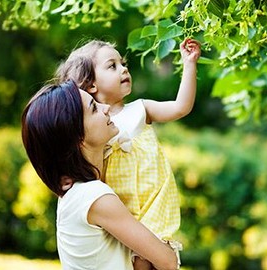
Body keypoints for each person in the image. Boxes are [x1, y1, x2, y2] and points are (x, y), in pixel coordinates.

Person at [55, 38, 201, 269]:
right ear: (91, 84)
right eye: (112, 66)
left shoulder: (141, 109)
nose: (124, 69)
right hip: (122, 211)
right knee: (139, 262)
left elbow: (181, 107)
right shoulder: (91, 129)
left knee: (154, 256)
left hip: (153, 201)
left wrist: (189, 64)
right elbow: (81, 168)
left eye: (123, 63)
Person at [21, 80, 179, 270]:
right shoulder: (94, 196)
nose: (105, 108)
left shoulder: (78, 194)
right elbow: (167, 262)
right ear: (77, 136)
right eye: (94, 108)